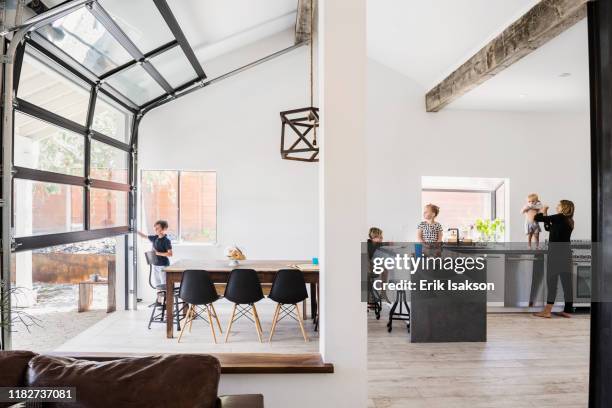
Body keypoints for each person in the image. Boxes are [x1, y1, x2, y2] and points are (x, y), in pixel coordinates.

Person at [533, 200, 575, 318]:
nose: (557, 206)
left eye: (559, 205)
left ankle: (547, 310)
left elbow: (537, 218)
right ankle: (568, 310)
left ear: (564, 208)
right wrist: (546, 213)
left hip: (556, 253)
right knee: (566, 282)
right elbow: (548, 228)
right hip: (566, 254)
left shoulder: (560, 217)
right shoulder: (568, 220)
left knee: (552, 280)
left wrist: (542, 211)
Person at [138, 220, 173, 288]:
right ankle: (159, 298)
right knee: (158, 284)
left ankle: (166, 298)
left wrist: (157, 253)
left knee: (164, 284)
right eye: (155, 228)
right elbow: (144, 236)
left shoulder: (166, 241)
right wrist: (135, 231)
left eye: (158, 228)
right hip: (155, 264)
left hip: (163, 265)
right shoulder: (155, 238)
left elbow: (170, 254)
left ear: (164, 229)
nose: (155, 229)